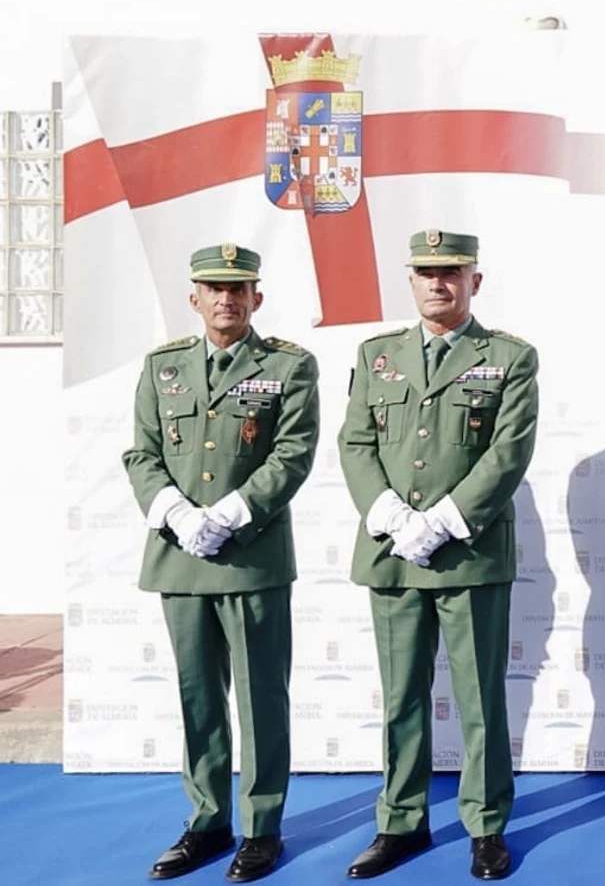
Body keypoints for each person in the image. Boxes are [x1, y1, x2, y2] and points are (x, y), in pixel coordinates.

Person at [339, 230, 540, 881]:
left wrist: (446, 521)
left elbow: (507, 452)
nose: (438, 283)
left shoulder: (510, 356)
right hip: (394, 552)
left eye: (451, 271)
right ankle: (400, 821)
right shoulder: (378, 355)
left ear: (474, 280)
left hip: (470, 554)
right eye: (426, 271)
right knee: (402, 697)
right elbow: (356, 443)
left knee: (480, 697)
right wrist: (395, 518)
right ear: (410, 279)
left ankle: (485, 825)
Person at [124, 244, 319, 883]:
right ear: (194, 298)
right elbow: (143, 455)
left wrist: (232, 513)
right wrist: (178, 514)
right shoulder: (164, 368)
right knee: (197, 697)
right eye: (214, 288)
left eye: (239, 289)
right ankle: (207, 822)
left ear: (256, 297)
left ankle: (262, 828)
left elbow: (291, 452)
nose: (227, 299)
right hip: (180, 558)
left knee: (262, 700)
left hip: (251, 557)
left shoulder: (289, 366)